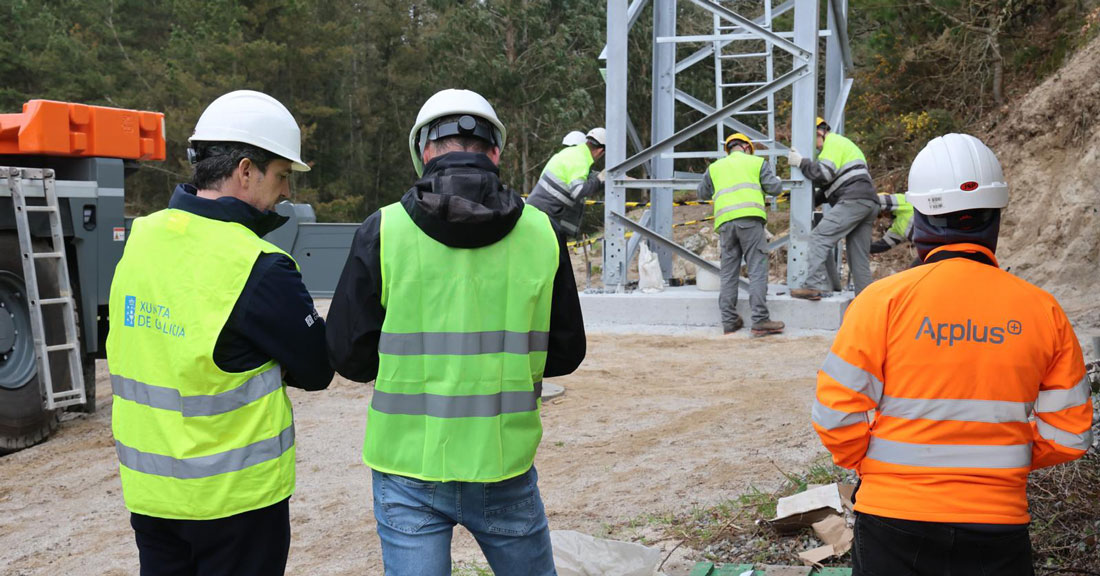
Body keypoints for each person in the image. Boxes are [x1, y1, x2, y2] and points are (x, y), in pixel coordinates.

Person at [326, 88, 586, 576]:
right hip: (502, 462)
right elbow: (566, 352)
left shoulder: (384, 230)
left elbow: (349, 356)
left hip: (407, 465)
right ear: (495, 152)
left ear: (424, 151)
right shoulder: (542, 232)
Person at [812, 134, 1094, 576]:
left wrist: (876, 466)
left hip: (892, 518)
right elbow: (1070, 434)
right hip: (997, 524)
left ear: (919, 220)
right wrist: (999, 461)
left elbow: (835, 416)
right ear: (995, 221)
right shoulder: (1043, 310)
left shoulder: (880, 301)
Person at [107, 90, 333, 576]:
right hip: (235, 504)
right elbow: (316, 368)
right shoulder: (258, 265)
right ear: (246, 170)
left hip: (152, 497)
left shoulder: (142, 238)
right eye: (281, 176)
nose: (286, 192)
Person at [697, 133, 785, 336]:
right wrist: (777, 179)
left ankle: (729, 321)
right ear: (746, 147)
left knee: (728, 272)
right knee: (756, 269)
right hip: (750, 221)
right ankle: (760, 320)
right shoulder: (756, 163)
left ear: (729, 149)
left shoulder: (715, 168)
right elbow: (775, 188)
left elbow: (702, 193)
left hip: (725, 225)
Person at [789, 117, 878, 299]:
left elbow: (824, 174)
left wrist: (801, 163)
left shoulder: (833, 143)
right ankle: (866, 300)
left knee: (819, 237)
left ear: (819, 132)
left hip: (854, 200)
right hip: (868, 202)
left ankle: (814, 285)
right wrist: (804, 199)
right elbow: (834, 185)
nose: (814, 146)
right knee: (857, 257)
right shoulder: (845, 146)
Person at [526, 127, 606, 237]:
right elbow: (579, 191)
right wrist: (599, 180)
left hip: (540, 214)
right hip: (543, 216)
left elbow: (583, 177)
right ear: (600, 151)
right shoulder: (580, 159)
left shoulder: (570, 154)